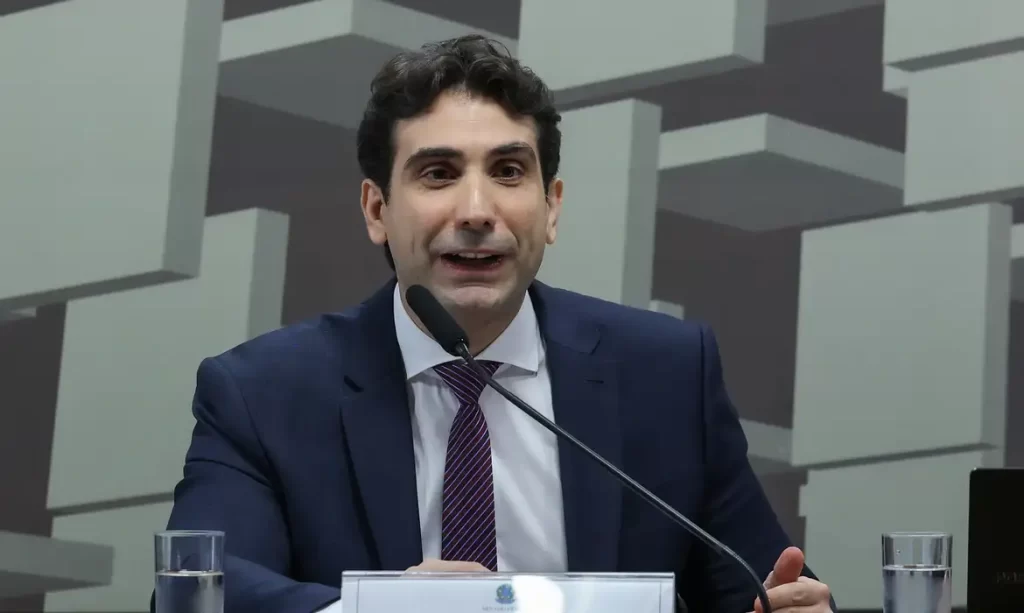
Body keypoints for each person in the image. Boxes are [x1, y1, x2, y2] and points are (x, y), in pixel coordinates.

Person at [162, 35, 836, 613]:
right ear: (376, 210)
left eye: (509, 171)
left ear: (551, 207)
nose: (478, 211)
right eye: (438, 173)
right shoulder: (262, 394)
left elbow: (763, 585)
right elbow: (196, 588)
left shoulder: (666, 374)